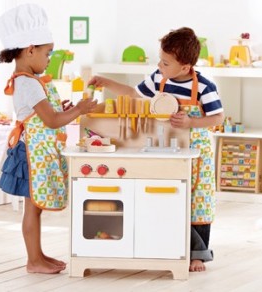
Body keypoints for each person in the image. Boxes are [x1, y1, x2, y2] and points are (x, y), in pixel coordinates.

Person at [88, 27, 224, 272]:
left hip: (196, 151)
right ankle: (166, 244)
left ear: (184, 67)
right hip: (166, 146)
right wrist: (105, 82)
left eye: (165, 62)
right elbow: (134, 94)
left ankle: (198, 255)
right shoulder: (157, 79)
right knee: (167, 195)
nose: (159, 65)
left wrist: (192, 122)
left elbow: (217, 118)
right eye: (160, 60)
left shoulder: (204, 86)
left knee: (197, 201)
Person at [0, 3, 97, 274]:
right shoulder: (28, 82)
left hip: (37, 152)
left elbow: (47, 115)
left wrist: (63, 108)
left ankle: (38, 256)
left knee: (35, 209)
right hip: (31, 156)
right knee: (32, 209)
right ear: (30, 50)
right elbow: (50, 121)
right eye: (48, 53)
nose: (50, 58)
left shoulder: (31, 79)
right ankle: (34, 260)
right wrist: (78, 110)